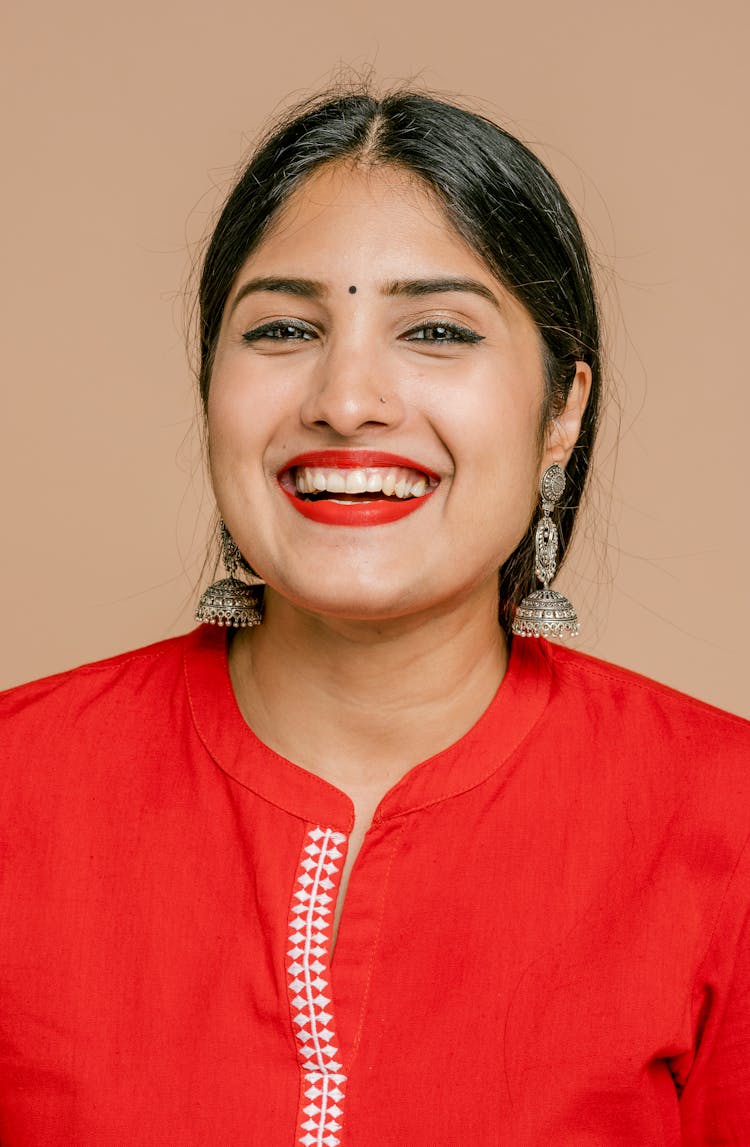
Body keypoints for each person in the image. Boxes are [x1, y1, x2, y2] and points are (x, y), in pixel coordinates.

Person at [1, 87, 748, 1146]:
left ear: (562, 411)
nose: (346, 399)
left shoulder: (727, 824)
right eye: (285, 328)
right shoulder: (16, 794)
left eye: (436, 330)